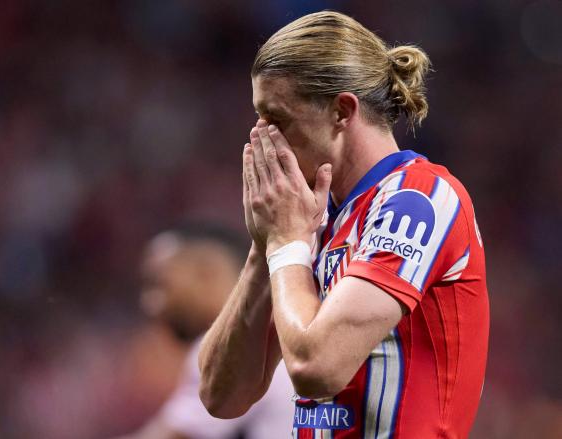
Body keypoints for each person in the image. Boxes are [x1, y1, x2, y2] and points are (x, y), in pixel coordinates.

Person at [198, 11, 489, 439]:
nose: (261, 136)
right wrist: (264, 249)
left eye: (277, 118)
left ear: (342, 110)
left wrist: (285, 243)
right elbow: (220, 396)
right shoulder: (314, 221)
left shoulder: (417, 199)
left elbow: (317, 368)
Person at [119, 223, 294, 439]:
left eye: (159, 285)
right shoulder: (288, 320)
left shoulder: (231, 346)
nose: (149, 304)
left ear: (207, 273)